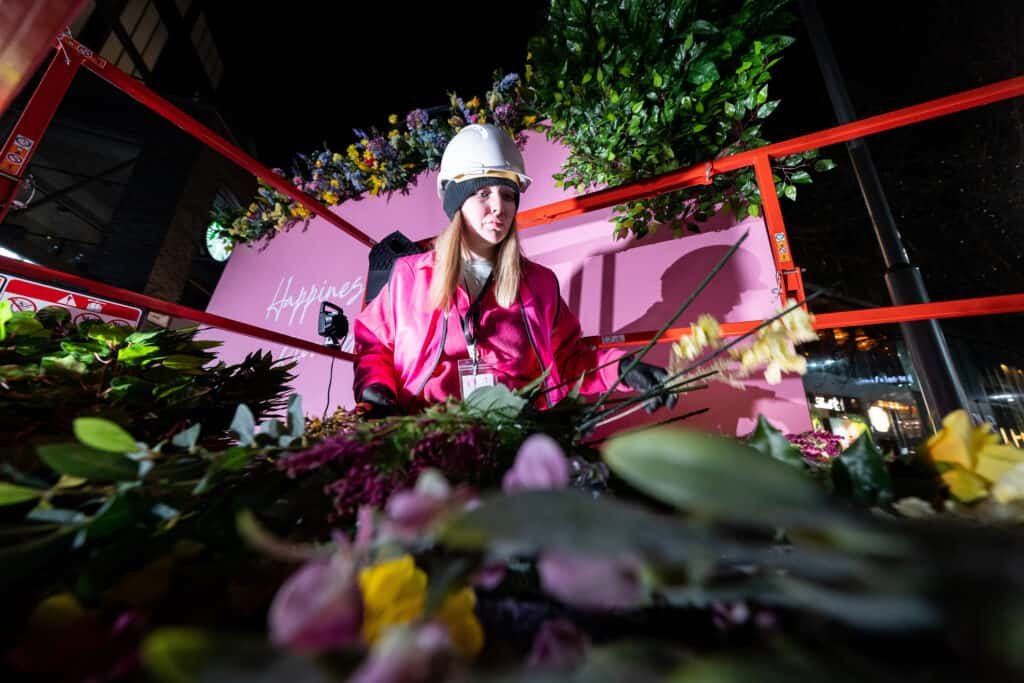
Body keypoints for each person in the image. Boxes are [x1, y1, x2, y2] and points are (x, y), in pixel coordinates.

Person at [352, 124, 676, 417]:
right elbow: (374, 346)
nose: (499, 207)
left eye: (508, 194)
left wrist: (621, 368)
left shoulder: (539, 284)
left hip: (512, 431)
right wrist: (376, 389)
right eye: (483, 193)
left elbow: (568, 359)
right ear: (457, 203)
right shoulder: (409, 276)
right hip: (427, 428)